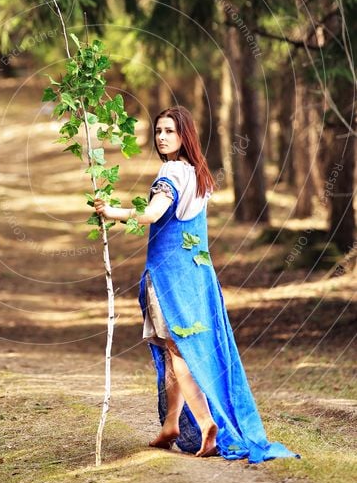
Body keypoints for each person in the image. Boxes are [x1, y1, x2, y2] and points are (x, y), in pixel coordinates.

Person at [93, 106, 300, 464]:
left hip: (171, 276)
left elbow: (153, 214)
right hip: (197, 275)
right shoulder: (196, 173)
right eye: (158, 130)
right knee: (172, 349)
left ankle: (206, 425)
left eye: (169, 131)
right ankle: (171, 425)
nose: (161, 137)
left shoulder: (171, 171)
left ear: (184, 135)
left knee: (178, 350)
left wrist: (113, 213)